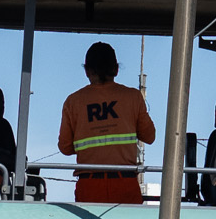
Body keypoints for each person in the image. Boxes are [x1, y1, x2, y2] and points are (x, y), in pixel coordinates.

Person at [58, 43, 155, 205]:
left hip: (89, 185)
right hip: (125, 182)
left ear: (87, 71)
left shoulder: (73, 101)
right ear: (116, 69)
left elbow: (65, 147)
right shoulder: (132, 97)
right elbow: (150, 136)